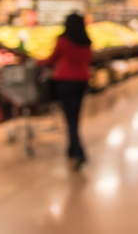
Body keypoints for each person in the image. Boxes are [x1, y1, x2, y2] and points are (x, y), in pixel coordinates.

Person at [39, 13, 92, 170]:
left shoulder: (63, 40)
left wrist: (39, 63)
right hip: (82, 81)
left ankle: (78, 152)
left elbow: (52, 59)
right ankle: (71, 149)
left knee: (70, 118)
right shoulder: (86, 41)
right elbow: (89, 59)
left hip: (65, 82)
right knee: (75, 116)